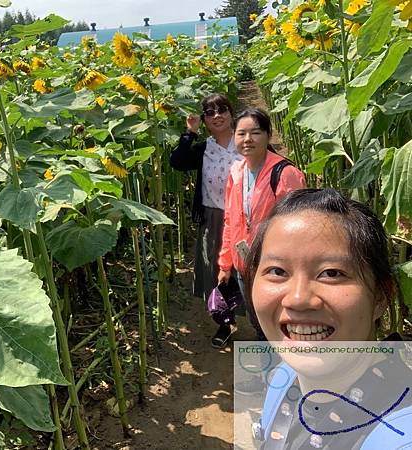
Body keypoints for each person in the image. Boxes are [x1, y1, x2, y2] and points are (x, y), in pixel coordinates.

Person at [241, 188, 412, 449]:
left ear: (380, 297)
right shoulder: (284, 379)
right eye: (277, 271)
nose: (297, 298)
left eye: (331, 273)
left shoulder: (399, 436)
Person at [217, 108, 306, 342]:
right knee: (259, 322)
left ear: (268, 135)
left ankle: (288, 374)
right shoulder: (236, 172)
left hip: (278, 268)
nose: (248, 139)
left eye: (255, 133)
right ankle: (271, 374)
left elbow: (300, 227)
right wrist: (226, 263)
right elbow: (230, 220)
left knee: (282, 325)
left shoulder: (285, 174)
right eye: (241, 133)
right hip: (245, 265)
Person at [170, 94, 243, 347]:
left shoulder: (246, 142)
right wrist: (190, 132)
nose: (217, 116)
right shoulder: (204, 149)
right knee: (216, 271)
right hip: (214, 217)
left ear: (232, 114)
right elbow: (177, 162)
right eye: (210, 113)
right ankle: (225, 322)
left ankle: (261, 323)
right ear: (205, 120)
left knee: (250, 270)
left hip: (246, 217)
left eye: (222, 109)